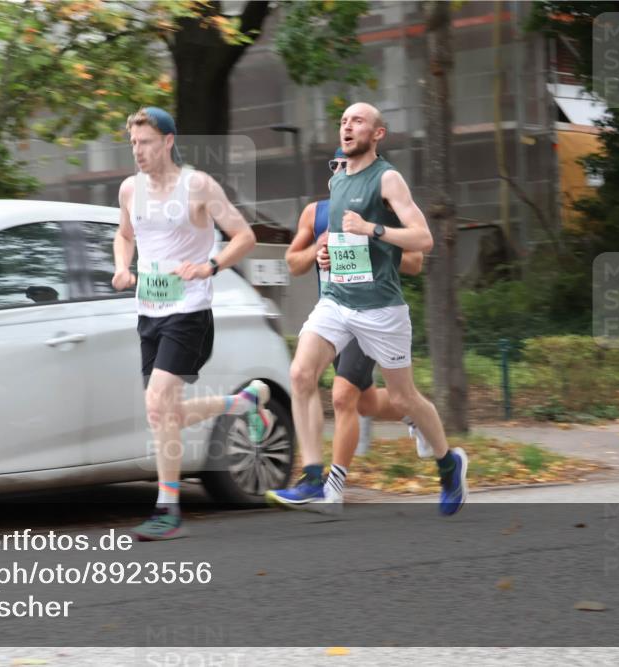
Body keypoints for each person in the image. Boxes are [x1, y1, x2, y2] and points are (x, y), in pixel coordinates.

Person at [267, 103, 468, 515]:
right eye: (342, 121)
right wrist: (326, 256)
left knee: (404, 396)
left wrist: (373, 229)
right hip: (337, 301)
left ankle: (449, 464)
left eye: (357, 121)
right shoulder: (338, 183)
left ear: (377, 133)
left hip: (381, 309)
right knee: (301, 374)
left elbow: (423, 240)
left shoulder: (387, 178)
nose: (347, 127)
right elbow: (344, 249)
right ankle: (311, 478)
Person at [113, 107, 267, 541]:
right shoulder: (130, 189)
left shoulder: (197, 185)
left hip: (190, 310)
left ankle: (168, 508)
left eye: (144, 143)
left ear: (167, 141)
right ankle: (243, 404)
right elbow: (124, 235)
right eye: (132, 144)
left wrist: (210, 266)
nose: (137, 151)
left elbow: (244, 236)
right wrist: (123, 266)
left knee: (159, 400)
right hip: (149, 311)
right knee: (164, 412)